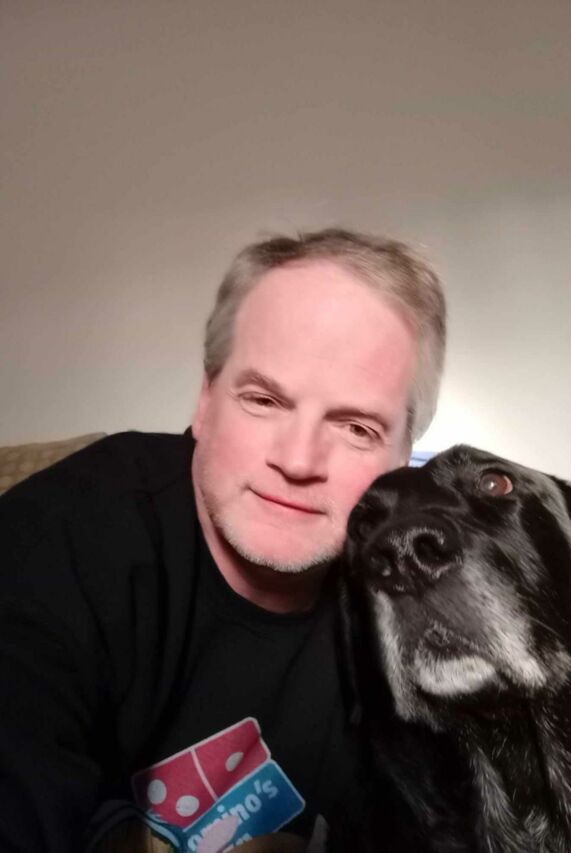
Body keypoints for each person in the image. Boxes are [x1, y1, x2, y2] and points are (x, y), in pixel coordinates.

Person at [0, 228, 446, 852]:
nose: (298, 460)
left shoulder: (413, 611)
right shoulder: (54, 539)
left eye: (356, 428)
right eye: (263, 400)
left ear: (402, 459)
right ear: (205, 401)